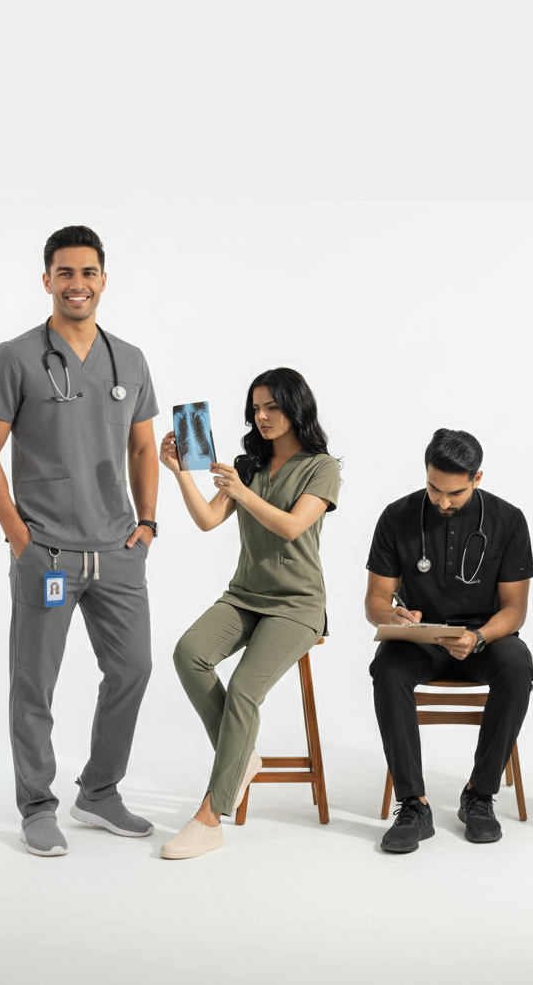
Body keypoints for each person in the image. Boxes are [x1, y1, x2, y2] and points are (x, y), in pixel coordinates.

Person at [0, 225, 159, 857]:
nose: (77, 284)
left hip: (117, 551)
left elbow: (141, 446)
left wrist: (148, 523)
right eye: (65, 273)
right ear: (46, 279)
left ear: (104, 279)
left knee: (133, 668)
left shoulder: (128, 359)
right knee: (35, 685)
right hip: (46, 551)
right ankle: (38, 805)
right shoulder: (16, 356)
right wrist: (19, 535)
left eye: (88, 273)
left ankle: (99, 792)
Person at [159, 368, 340, 860]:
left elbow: (290, 527)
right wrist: (179, 473)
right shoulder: (250, 464)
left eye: (272, 407)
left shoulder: (321, 467)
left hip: (297, 605)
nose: (261, 417)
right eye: (255, 408)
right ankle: (241, 759)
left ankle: (210, 817)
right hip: (246, 595)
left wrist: (242, 492)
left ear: (295, 407)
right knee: (189, 653)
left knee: (242, 689)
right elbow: (208, 520)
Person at [365, 429, 533, 853]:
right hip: (421, 642)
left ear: (477, 478)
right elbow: (374, 601)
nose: (442, 501)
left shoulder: (507, 520)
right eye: (433, 488)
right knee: (387, 667)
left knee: (517, 666)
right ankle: (413, 804)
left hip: (485, 639)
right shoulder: (397, 517)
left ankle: (479, 794)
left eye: (454, 493)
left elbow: (515, 610)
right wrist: (394, 616)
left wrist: (478, 636)